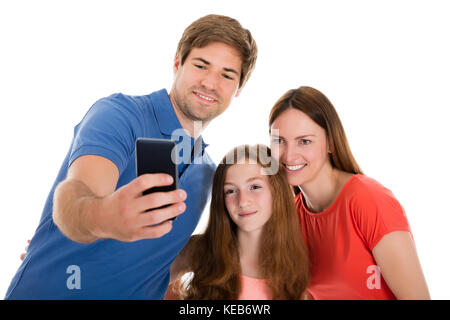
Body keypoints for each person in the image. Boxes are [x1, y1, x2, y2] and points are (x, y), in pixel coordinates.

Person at [5, 14, 257, 299]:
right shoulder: (119, 115)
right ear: (178, 63)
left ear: (238, 90)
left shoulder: (207, 173)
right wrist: (104, 216)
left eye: (227, 75)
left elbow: (156, 265)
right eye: (201, 65)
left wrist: (208, 250)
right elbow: (74, 198)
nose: (211, 83)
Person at [268, 86, 430, 299]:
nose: (289, 155)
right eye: (279, 141)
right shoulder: (292, 217)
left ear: (331, 143)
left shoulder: (368, 199)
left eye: (304, 141)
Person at [166, 144, 310, 299]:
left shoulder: (300, 263)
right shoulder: (200, 250)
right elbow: (145, 282)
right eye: (231, 191)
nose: (242, 201)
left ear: (276, 191)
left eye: (254, 187)